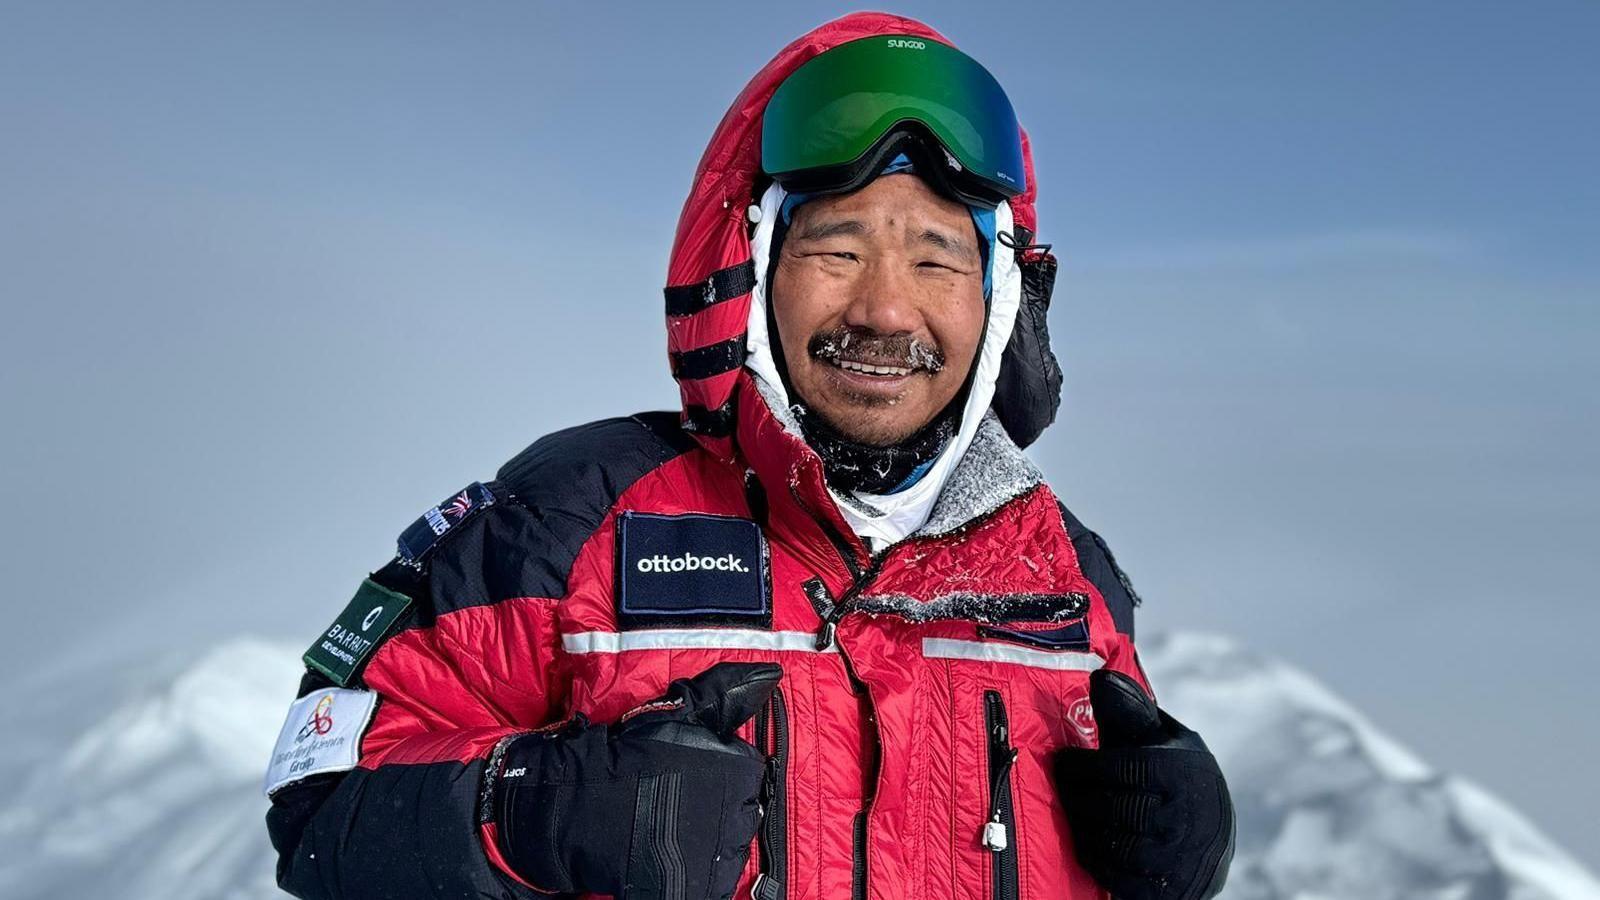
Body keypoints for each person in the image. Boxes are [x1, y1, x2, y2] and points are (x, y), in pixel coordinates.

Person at [262, 11, 1234, 900]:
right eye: (837, 249)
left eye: (937, 259)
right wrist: (529, 810)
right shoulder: (566, 523)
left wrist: (1179, 852)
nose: (887, 310)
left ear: (999, 300)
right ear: (747, 271)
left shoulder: (1063, 574)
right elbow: (317, 802)